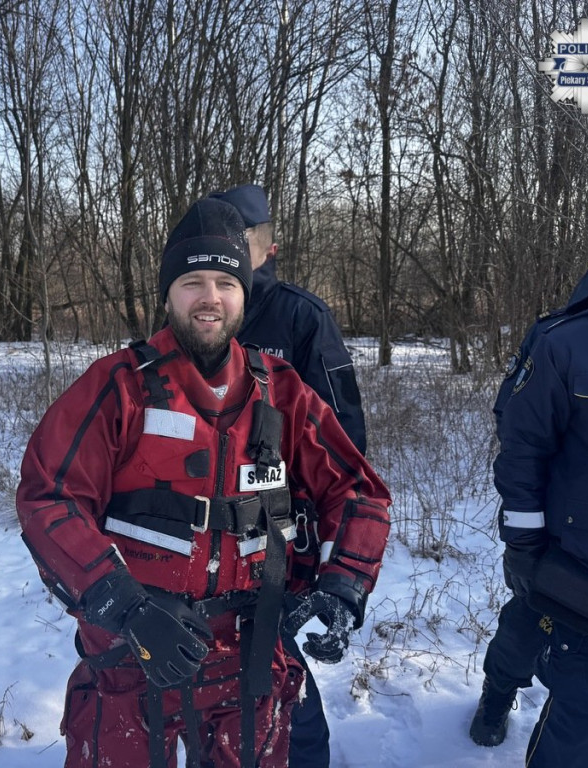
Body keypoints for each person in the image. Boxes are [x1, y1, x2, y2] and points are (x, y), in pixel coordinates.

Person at [16, 196, 391, 768]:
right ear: (168, 293)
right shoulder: (118, 386)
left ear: (245, 294)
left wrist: (344, 585)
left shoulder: (283, 393)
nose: (210, 298)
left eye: (225, 281)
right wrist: (126, 607)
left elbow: (360, 492)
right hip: (133, 652)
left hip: (251, 655)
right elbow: (49, 497)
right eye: (193, 281)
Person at [210, 183, 367, 767]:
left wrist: (336, 561)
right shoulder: (203, 311)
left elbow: (345, 448)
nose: (224, 252)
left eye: (238, 241)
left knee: (273, 661)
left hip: (278, 532)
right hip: (209, 533)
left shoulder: (301, 316)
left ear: (266, 246)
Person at [472, 243, 588, 768]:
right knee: (527, 629)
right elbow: (522, 440)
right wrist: (526, 541)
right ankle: (498, 693)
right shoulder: (568, 337)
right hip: (577, 554)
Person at [210, 184, 367, 455]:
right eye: (221, 246)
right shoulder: (193, 314)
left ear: (271, 250)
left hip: (281, 487)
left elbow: (341, 429)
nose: (232, 259)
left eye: (241, 246)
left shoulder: (305, 316)